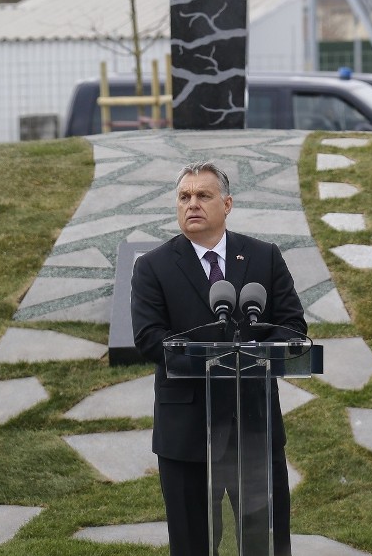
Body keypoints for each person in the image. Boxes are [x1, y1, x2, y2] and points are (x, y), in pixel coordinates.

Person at [131, 160, 307, 556]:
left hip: (254, 429)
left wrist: (259, 352)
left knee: (264, 542)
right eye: (184, 197)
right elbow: (148, 338)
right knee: (193, 542)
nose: (192, 203)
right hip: (187, 433)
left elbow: (294, 326)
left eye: (203, 195)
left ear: (227, 204)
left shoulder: (264, 257)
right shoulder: (153, 267)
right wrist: (207, 355)